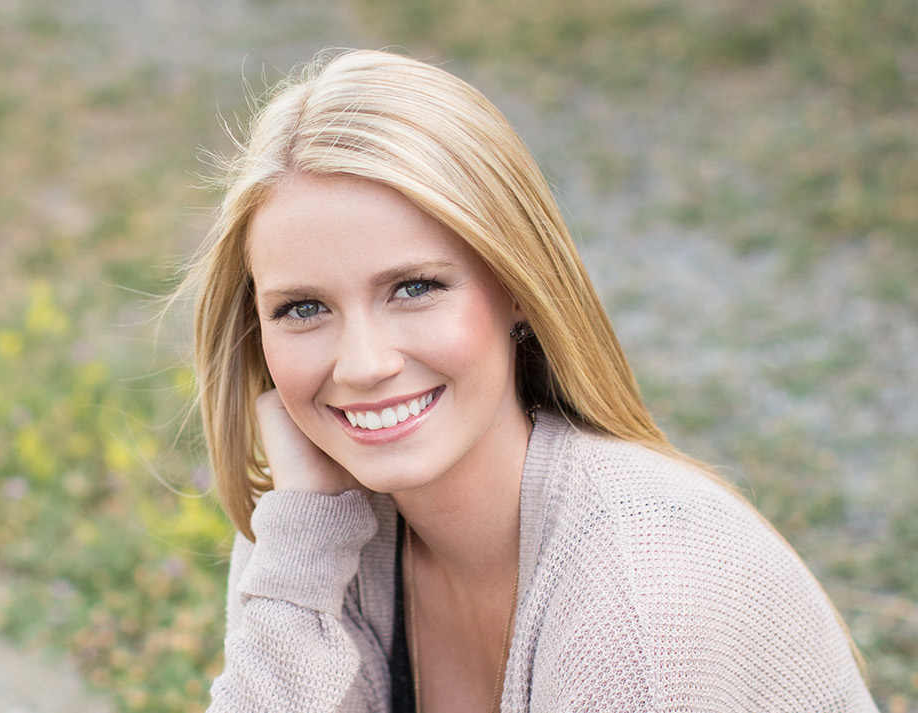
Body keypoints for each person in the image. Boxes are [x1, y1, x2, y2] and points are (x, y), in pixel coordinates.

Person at [175, 49, 876, 712]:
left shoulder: (637, 600)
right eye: (303, 308)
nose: (362, 364)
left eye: (414, 288)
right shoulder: (314, 526)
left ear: (516, 286)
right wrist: (298, 549)